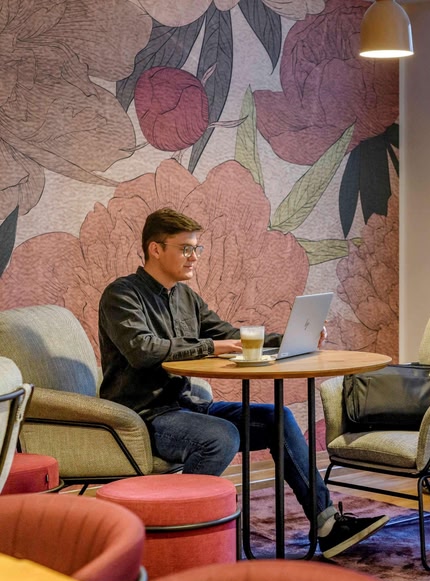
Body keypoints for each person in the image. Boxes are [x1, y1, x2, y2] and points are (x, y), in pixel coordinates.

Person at [98, 207, 387, 558]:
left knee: (278, 417)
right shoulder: (122, 295)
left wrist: (288, 339)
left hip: (188, 406)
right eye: (186, 248)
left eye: (197, 248)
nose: (194, 257)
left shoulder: (186, 298)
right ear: (155, 249)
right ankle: (183, 537)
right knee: (220, 436)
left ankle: (327, 525)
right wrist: (211, 346)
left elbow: (231, 336)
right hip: (145, 415)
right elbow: (143, 351)